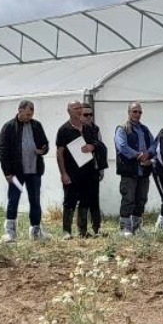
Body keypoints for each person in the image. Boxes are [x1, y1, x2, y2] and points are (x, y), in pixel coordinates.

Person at [0, 100, 48, 242]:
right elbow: (2, 151)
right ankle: (10, 232)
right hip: (16, 172)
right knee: (13, 200)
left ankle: (36, 231)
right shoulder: (9, 127)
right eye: (26, 114)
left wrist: (43, 150)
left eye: (31, 114)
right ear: (19, 110)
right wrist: (7, 172)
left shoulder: (36, 125)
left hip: (34, 171)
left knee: (35, 200)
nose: (28, 117)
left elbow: (45, 143)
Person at [55, 101, 106, 238]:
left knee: (85, 200)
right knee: (69, 201)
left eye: (79, 108)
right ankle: (66, 231)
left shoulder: (88, 128)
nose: (78, 111)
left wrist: (92, 147)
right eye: (75, 108)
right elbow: (59, 153)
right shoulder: (63, 130)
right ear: (69, 111)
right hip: (72, 172)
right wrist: (63, 173)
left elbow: (97, 144)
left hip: (88, 172)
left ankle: (82, 231)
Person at [114, 103, 154, 236]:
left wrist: (149, 156)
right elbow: (122, 147)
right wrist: (139, 156)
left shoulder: (145, 129)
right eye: (134, 111)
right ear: (129, 112)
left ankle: (137, 228)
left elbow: (154, 145)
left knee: (141, 199)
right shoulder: (122, 129)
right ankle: (124, 228)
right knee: (128, 199)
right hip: (129, 171)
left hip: (144, 171)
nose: (137, 114)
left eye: (139, 112)